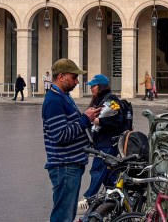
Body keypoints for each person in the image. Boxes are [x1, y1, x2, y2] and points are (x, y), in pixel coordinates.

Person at [42, 59, 102, 222]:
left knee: (67, 214)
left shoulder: (63, 96)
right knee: (63, 216)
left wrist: (87, 117)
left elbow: (70, 124)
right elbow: (61, 135)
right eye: (74, 77)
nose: (77, 82)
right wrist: (85, 118)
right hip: (65, 166)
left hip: (70, 165)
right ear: (61, 77)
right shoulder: (54, 100)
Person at [79, 74, 127, 210]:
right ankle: (119, 200)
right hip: (101, 142)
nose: (91, 89)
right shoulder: (99, 100)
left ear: (101, 86)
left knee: (98, 169)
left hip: (108, 143)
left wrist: (99, 121)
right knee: (108, 176)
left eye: (93, 86)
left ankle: (89, 197)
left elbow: (118, 121)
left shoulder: (111, 100)